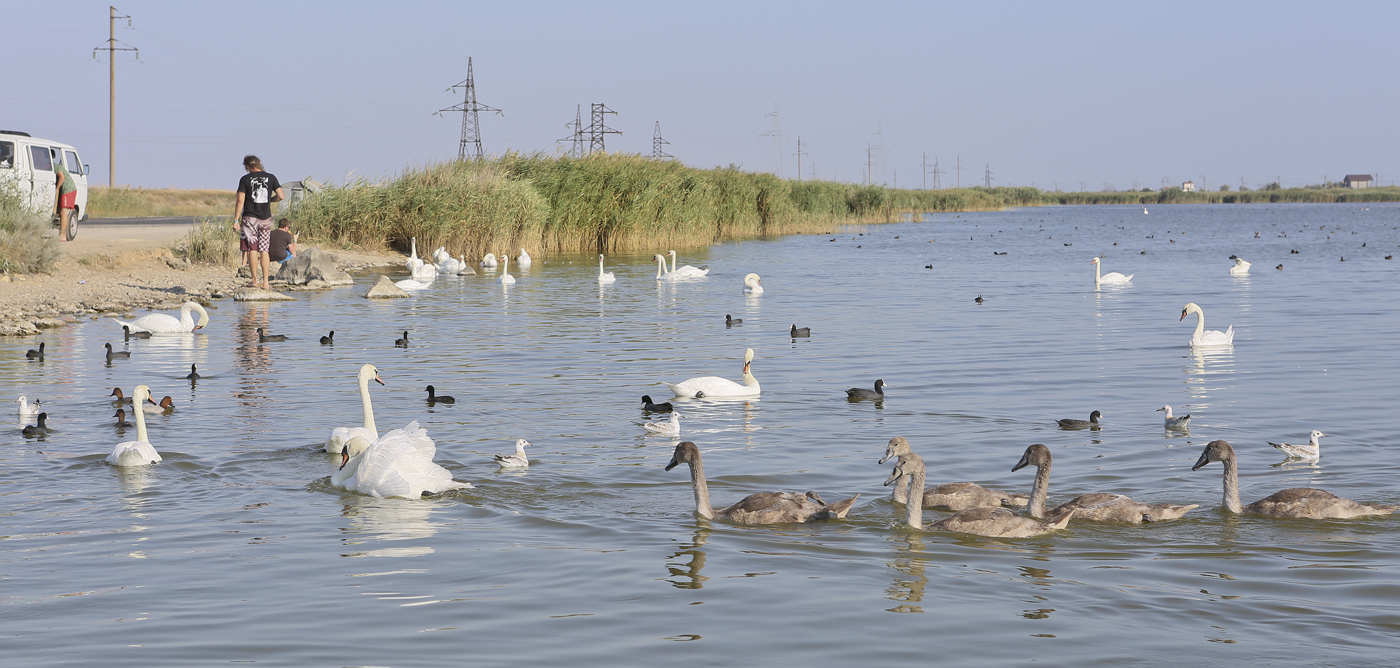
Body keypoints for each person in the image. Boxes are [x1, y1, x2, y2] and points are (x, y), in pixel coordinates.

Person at [232, 155, 284, 290]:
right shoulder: (271, 177)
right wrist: (269, 200)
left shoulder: (245, 179)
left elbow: (240, 200)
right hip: (265, 218)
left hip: (250, 217)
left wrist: (236, 220)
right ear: (260, 164)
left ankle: (254, 280)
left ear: (247, 166)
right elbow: (281, 196)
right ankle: (266, 282)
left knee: (252, 248)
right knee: (264, 249)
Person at [54, 151, 76, 241]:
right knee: (61, 212)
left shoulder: (55, 166)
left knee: (64, 212)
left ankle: (63, 235)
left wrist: (57, 188)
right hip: (66, 190)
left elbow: (61, 177)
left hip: (68, 190)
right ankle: (62, 233)